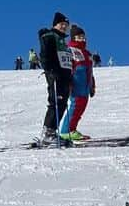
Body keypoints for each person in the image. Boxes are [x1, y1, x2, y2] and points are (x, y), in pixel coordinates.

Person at [38, 12, 73, 144]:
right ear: (55, 24)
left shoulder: (62, 40)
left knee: (63, 103)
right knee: (55, 102)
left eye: (66, 25)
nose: (64, 27)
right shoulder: (50, 36)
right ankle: (47, 132)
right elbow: (45, 55)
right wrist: (50, 70)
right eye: (61, 24)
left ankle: (53, 131)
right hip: (55, 74)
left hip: (64, 76)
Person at [57, 25, 95, 141]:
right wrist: (68, 82)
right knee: (75, 106)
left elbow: (90, 71)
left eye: (83, 37)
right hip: (76, 84)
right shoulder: (70, 50)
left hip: (85, 85)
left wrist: (92, 84)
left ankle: (72, 129)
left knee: (81, 108)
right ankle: (65, 131)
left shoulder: (87, 53)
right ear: (73, 38)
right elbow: (68, 68)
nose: (82, 39)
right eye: (79, 37)